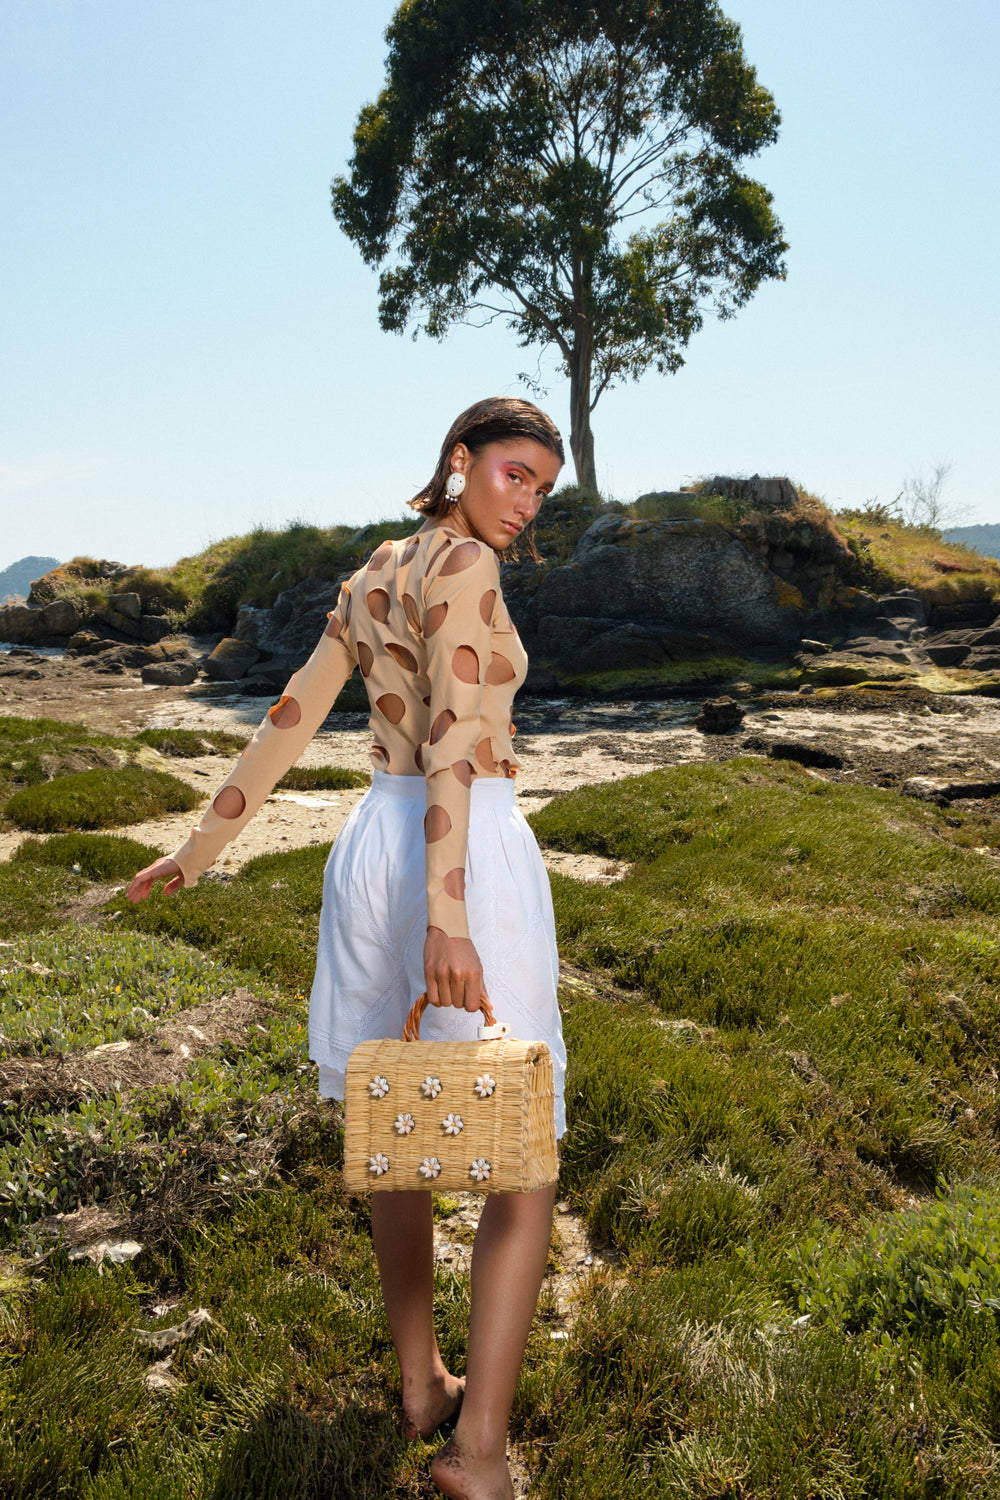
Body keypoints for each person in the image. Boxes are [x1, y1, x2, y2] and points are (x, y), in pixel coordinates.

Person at [127, 396, 567, 1500]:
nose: (526, 501)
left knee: (397, 1123)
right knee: (524, 1165)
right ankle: (477, 1457)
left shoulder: (376, 567)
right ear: (458, 461)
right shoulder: (464, 566)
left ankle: (423, 1385)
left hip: (374, 842)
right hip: (458, 855)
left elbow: (293, 710)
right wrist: (450, 920)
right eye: (513, 472)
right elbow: (460, 747)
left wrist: (200, 847)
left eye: (542, 487)